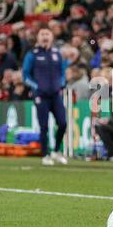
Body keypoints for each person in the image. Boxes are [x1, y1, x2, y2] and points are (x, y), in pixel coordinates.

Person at [23, 27, 70, 166]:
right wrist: (37, 87)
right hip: (41, 96)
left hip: (56, 95)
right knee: (44, 126)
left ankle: (56, 150)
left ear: (52, 37)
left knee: (63, 123)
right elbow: (26, 75)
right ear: (37, 37)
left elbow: (62, 72)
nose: (45, 36)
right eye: (42, 34)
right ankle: (45, 154)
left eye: (47, 34)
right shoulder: (32, 54)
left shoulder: (57, 53)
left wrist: (61, 85)